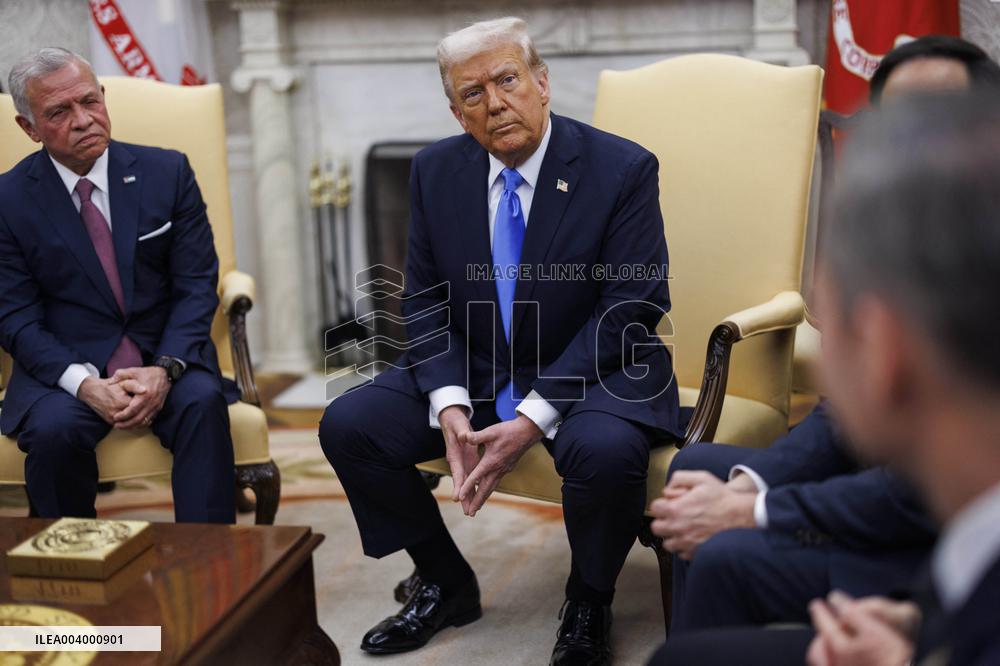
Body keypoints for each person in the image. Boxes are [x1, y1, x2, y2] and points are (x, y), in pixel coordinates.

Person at [319, 16, 682, 664]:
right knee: (351, 424)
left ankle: (589, 600)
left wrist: (535, 415)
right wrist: (450, 401)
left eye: (507, 79)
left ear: (541, 83)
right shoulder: (436, 170)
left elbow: (632, 306)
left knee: (604, 450)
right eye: (473, 93)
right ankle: (445, 581)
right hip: (482, 366)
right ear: (458, 113)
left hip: (597, 370)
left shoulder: (620, 168)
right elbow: (424, 298)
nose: (495, 102)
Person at [649, 34, 1000, 638]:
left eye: (939, 120)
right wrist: (751, 487)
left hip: (943, 543)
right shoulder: (897, 240)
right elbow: (841, 418)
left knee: (725, 555)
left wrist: (755, 512)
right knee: (700, 465)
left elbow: (923, 488)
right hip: (897, 498)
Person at [0, 48, 236, 523]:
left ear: (104, 97)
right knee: (53, 431)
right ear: (29, 129)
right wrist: (84, 384)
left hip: (165, 354)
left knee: (202, 404)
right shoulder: (8, 200)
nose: (84, 120)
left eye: (89, 101)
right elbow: (14, 316)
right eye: (60, 113)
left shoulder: (167, 173)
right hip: (65, 367)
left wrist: (164, 369)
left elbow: (195, 284)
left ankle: (210, 571)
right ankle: (73, 575)